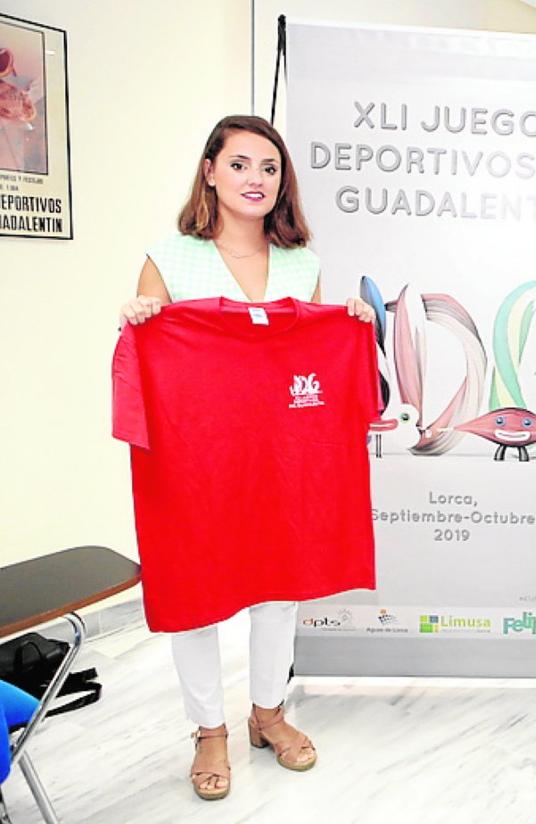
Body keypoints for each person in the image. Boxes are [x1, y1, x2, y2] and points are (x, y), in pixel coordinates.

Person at [119, 114, 375, 801]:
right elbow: (151, 360)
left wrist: (347, 326)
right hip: (195, 459)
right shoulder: (170, 258)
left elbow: (307, 370)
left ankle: (268, 714)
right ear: (209, 171)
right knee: (195, 594)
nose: (255, 179)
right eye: (239, 164)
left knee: (279, 589)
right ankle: (209, 729)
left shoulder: (302, 264)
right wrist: (140, 318)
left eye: (269, 168)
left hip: (280, 457)